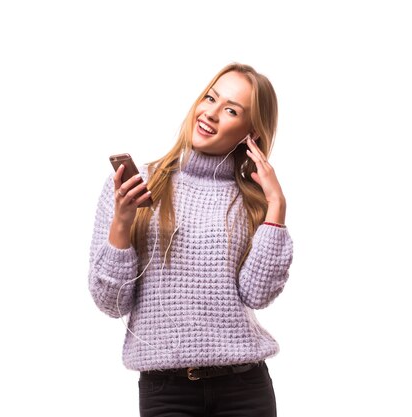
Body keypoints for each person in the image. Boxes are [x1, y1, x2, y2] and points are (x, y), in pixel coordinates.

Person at [88, 62, 293, 417]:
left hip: (245, 389)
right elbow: (111, 303)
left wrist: (275, 206)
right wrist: (122, 220)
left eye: (231, 110)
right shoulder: (134, 187)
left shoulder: (252, 202)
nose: (210, 113)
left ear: (252, 134)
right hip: (166, 393)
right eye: (210, 98)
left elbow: (258, 295)